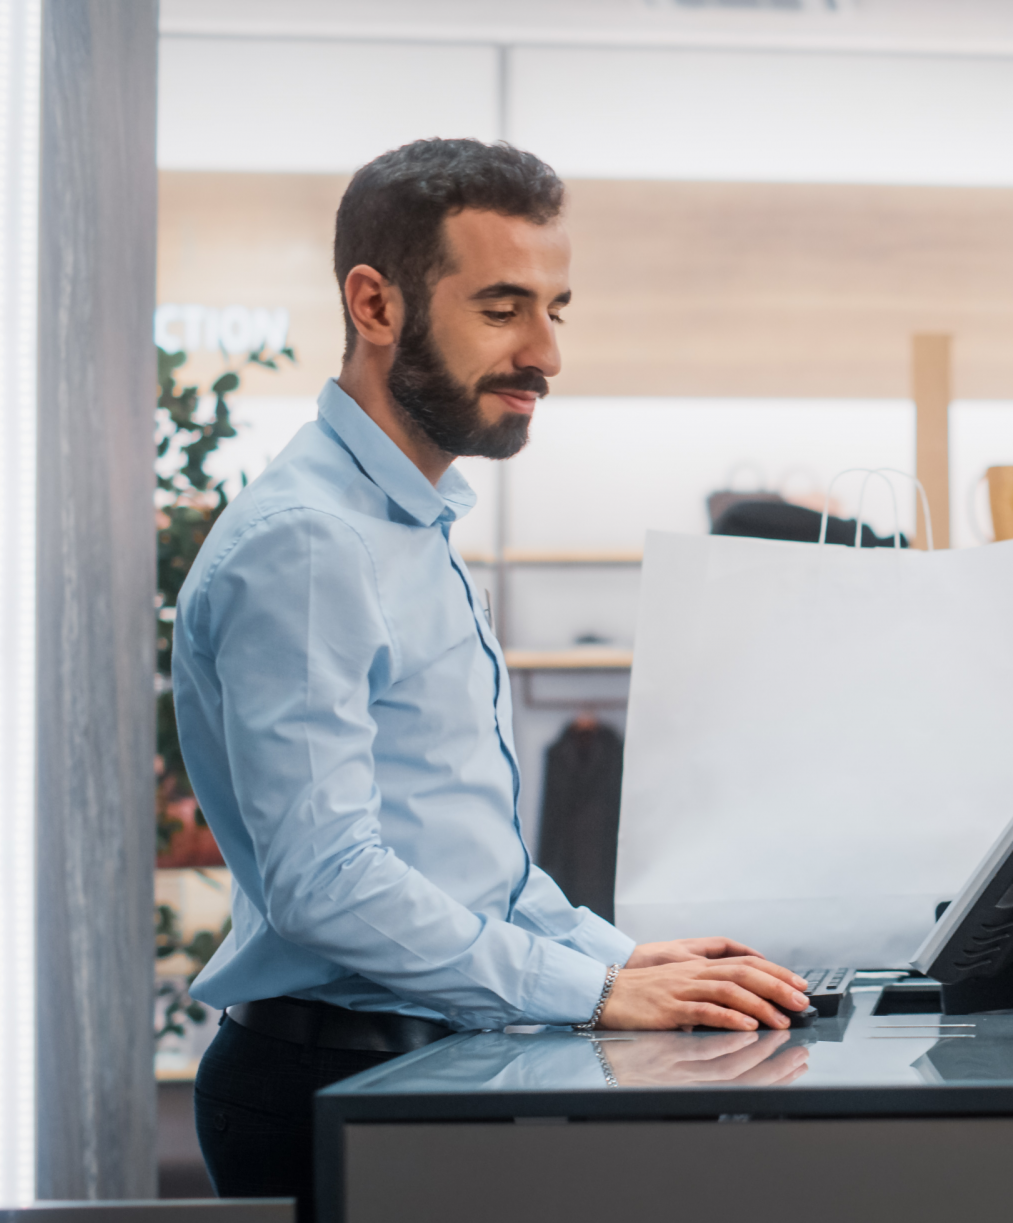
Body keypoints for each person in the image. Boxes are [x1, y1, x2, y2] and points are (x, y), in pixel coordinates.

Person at [171, 139, 809, 1217]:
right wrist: (595, 990)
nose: (547, 352)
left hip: (419, 1059)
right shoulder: (310, 543)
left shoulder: (405, 523)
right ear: (375, 305)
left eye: (559, 308)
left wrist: (624, 958)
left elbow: (473, 864)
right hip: (340, 1075)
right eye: (504, 307)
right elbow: (325, 880)